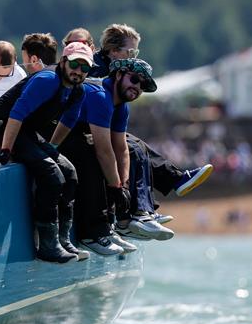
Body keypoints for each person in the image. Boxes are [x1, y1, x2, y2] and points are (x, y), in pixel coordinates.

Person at [0, 41, 91, 263]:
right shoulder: (47, 80)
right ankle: (47, 246)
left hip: (26, 132)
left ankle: (63, 239)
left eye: (85, 68)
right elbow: (16, 113)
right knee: (52, 175)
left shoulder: (77, 91)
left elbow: (68, 121)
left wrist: (51, 148)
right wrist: (5, 149)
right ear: (63, 62)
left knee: (69, 172)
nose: (78, 71)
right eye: (75, 64)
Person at [88, 24, 213, 207]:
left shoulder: (115, 71)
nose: (133, 58)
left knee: (138, 147)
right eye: (130, 52)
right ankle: (146, 203)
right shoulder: (96, 69)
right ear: (113, 51)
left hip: (99, 124)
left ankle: (152, 202)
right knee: (134, 149)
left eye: (135, 53)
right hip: (86, 126)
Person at [60, 58, 162, 255]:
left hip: (74, 134)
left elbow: (121, 148)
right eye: (134, 79)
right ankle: (92, 234)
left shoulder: (122, 105)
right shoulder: (100, 96)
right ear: (118, 75)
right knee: (92, 157)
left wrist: (122, 185)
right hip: (53, 131)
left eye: (143, 85)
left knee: (128, 155)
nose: (137, 88)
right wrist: (115, 187)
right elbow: (104, 150)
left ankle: (111, 226)